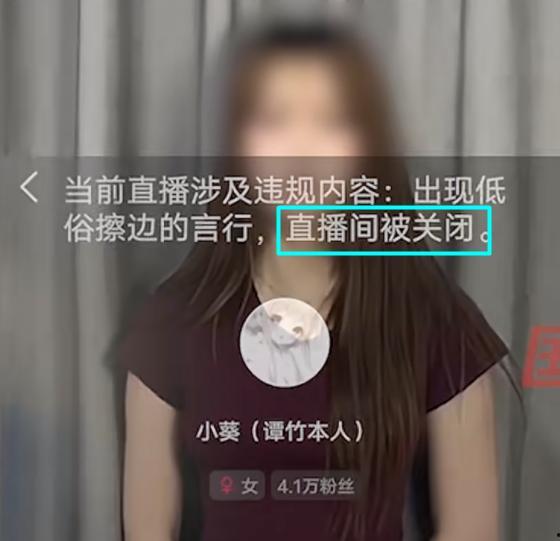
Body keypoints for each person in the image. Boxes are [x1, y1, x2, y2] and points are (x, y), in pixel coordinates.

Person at [121, 22, 509, 541]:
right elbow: (146, 529)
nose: (300, 152)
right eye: (274, 120)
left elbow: (471, 528)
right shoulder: (172, 321)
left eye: (331, 122)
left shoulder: (436, 320)